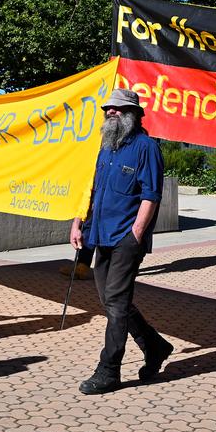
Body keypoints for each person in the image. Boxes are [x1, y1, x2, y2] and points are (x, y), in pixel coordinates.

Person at [70, 88, 171, 395]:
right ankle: (155, 346)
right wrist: (78, 223)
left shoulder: (146, 147)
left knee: (115, 302)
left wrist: (136, 234)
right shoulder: (106, 148)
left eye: (118, 109)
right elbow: (94, 191)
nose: (111, 112)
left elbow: (151, 194)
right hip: (100, 234)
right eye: (108, 109)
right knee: (111, 300)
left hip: (127, 237)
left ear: (133, 114)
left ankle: (109, 370)